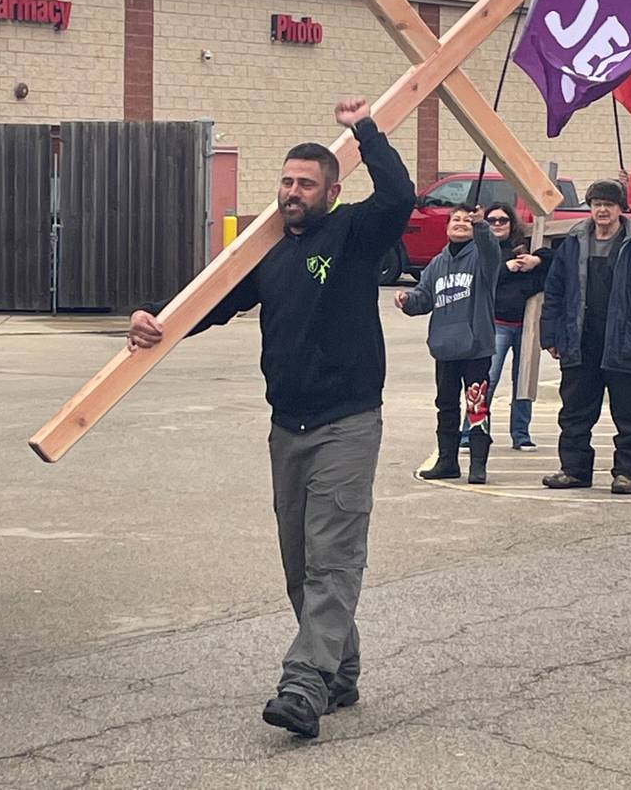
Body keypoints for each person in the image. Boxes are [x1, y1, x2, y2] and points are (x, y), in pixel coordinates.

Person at [127, 97, 415, 739]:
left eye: (304, 184)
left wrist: (364, 128)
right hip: (289, 428)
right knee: (299, 560)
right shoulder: (269, 254)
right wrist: (158, 318)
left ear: (331, 192)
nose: (291, 192)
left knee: (333, 559)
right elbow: (214, 301)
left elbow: (399, 195)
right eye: (285, 181)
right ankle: (340, 672)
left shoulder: (354, 234)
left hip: (347, 423)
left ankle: (304, 684)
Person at [541, 179, 631, 494]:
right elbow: (555, 292)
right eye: (596, 204)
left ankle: (627, 474)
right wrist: (551, 336)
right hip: (580, 342)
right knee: (574, 414)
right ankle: (574, 470)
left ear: (621, 209)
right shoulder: (573, 242)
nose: (602, 210)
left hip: (628, 343)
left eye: (608, 204)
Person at [395, 204, 501, 484]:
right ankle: (447, 460)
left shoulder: (482, 257)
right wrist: (407, 301)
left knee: (476, 406)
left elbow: (491, 247)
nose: (461, 223)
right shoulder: (437, 264)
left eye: (467, 220)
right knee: (446, 405)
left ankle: (478, 465)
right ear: (446, 226)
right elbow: (423, 298)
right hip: (445, 347)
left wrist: (482, 227)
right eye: (456, 219)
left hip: (476, 346)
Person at [459, 202, 551, 451]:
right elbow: (479, 277)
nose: (497, 224)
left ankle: (521, 433)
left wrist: (537, 260)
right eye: (492, 220)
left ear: (512, 223)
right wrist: (507, 269)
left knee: (524, 382)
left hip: (526, 325)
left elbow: (553, 266)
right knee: (486, 379)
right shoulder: (482, 248)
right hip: (496, 324)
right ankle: (471, 431)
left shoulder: (524, 247)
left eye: (503, 220)